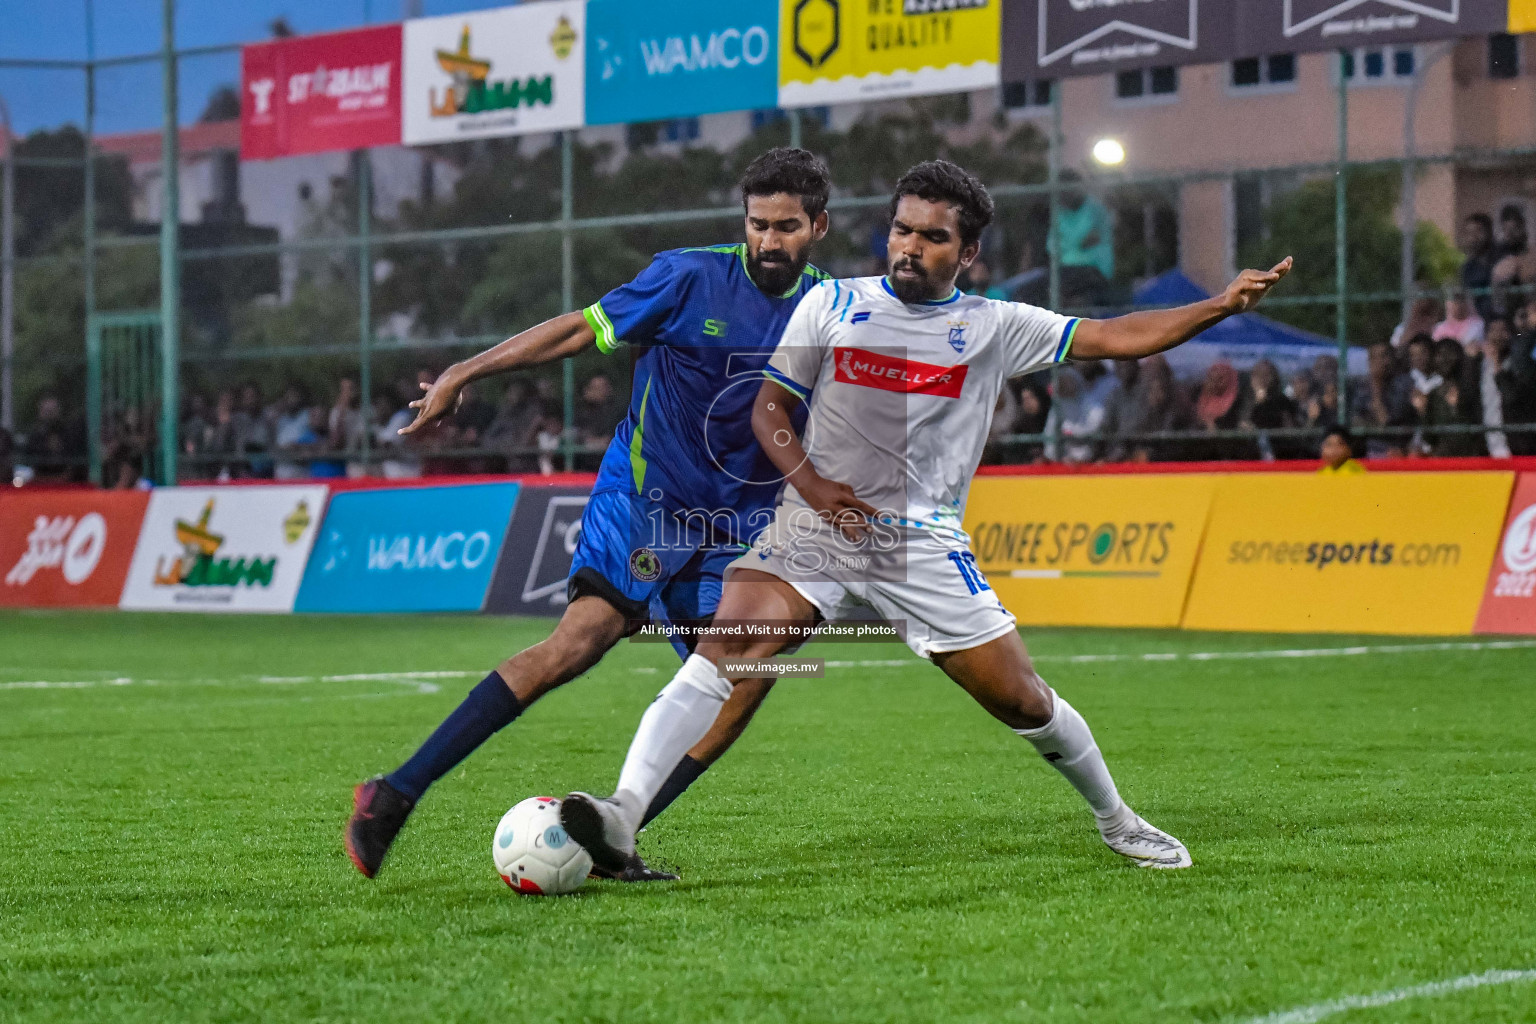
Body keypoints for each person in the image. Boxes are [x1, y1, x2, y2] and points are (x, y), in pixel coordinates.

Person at [557, 160, 1293, 875]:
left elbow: (1116, 336)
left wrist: (1218, 307)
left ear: (967, 252)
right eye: (902, 230)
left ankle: (1117, 820)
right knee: (728, 646)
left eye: (933, 237)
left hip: (921, 543)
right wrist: (810, 486)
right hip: (815, 526)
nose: (910, 246)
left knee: (1023, 700)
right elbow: (770, 408)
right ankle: (622, 812)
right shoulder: (832, 305)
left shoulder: (996, 325)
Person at [345, 148, 836, 882]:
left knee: (750, 675)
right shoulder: (689, 277)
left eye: (786, 227)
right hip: (644, 502)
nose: (769, 241)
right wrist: (463, 372)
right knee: (581, 641)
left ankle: (618, 828)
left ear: (818, 227)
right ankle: (394, 794)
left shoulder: (838, 310)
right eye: (758, 224)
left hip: (732, 532)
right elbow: (581, 330)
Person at [1460, 213, 1497, 320]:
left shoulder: (1501, 258)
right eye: (1469, 233)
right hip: (1478, 322)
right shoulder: (1468, 268)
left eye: (1478, 232)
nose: (1473, 238)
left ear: (1488, 233)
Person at [1433, 289, 1485, 353]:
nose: (1458, 305)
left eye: (1461, 301)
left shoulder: (1477, 324)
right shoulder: (1439, 327)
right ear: (1448, 304)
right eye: (1455, 302)